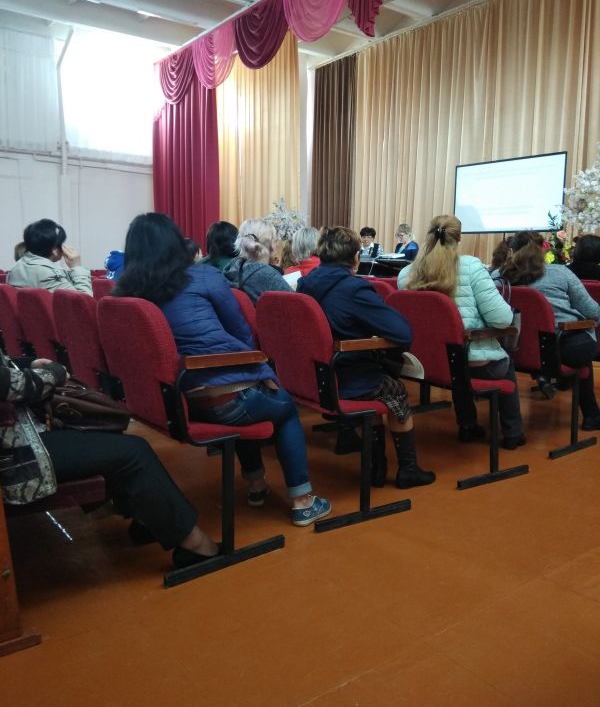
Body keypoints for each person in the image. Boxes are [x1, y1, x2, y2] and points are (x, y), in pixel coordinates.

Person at [114, 213, 331, 527]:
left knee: (249, 398)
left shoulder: (125, 294)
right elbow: (241, 331)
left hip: (176, 400)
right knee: (283, 408)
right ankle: (303, 501)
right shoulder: (202, 277)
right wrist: (256, 362)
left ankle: (257, 484)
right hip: (222, 396)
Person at [0, 351, 220, 569]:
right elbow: (7, 385)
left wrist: (27, 363)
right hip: (15, 454)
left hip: (18, 436)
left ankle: (149, 521)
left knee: (109, 436)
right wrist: (54, 373)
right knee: (134, 452)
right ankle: (195, 546)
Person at [297, 226, 435, 489]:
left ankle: (376, 467)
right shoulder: (353, 289)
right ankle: (408, 469)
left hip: (315, 378)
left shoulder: (305, 285)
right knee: (394, 389)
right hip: (347, 378)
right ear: (356, 258)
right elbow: (402, 333)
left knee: (377, 383)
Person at [399, 215, 525, 449]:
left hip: (428, 360)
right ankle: (513, 433)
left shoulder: (407, 273)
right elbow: (502, 319)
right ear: (458, 238)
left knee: (455, 357)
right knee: (503, 362)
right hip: (471, 361)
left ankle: (468, 424)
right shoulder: (471, 267)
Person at [496, 230, 600, 430]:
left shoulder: (498, 277)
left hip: (516, 350)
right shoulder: (560, 273)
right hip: (559, 350)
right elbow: (593, 312)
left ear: (512, 250)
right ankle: (591, 415)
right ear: (542, 250)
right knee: (582, 343)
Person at [8, 219, 92, 295]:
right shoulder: (50, 274)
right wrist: (76, 267)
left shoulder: (15, 269)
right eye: (62, 243)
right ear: (54, 249)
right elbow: (84, 302)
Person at [223, 219, 293, 304]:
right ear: (271, 244)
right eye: (275, 241)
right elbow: (298, 304)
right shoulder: (267, 274)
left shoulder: (232, 267)